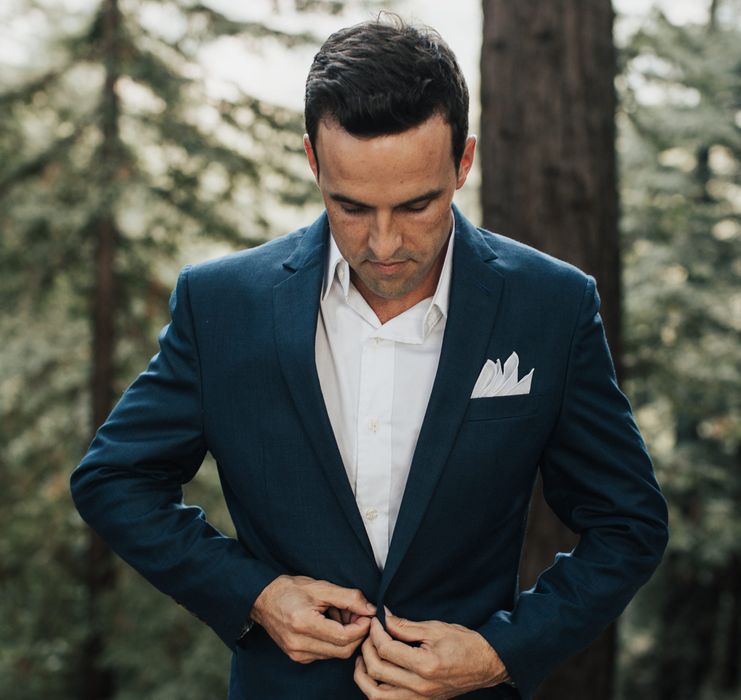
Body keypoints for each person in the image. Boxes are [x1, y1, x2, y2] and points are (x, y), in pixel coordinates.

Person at [71, 14, 668, 700]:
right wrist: (255, 593)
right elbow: (114, 479)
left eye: (417, 205)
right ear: (312, 161)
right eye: (351, 206)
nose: (384, 244)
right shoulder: (220, 306)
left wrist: (502, 650)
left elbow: (629, 523)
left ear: (464, 162)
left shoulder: (552, 307)